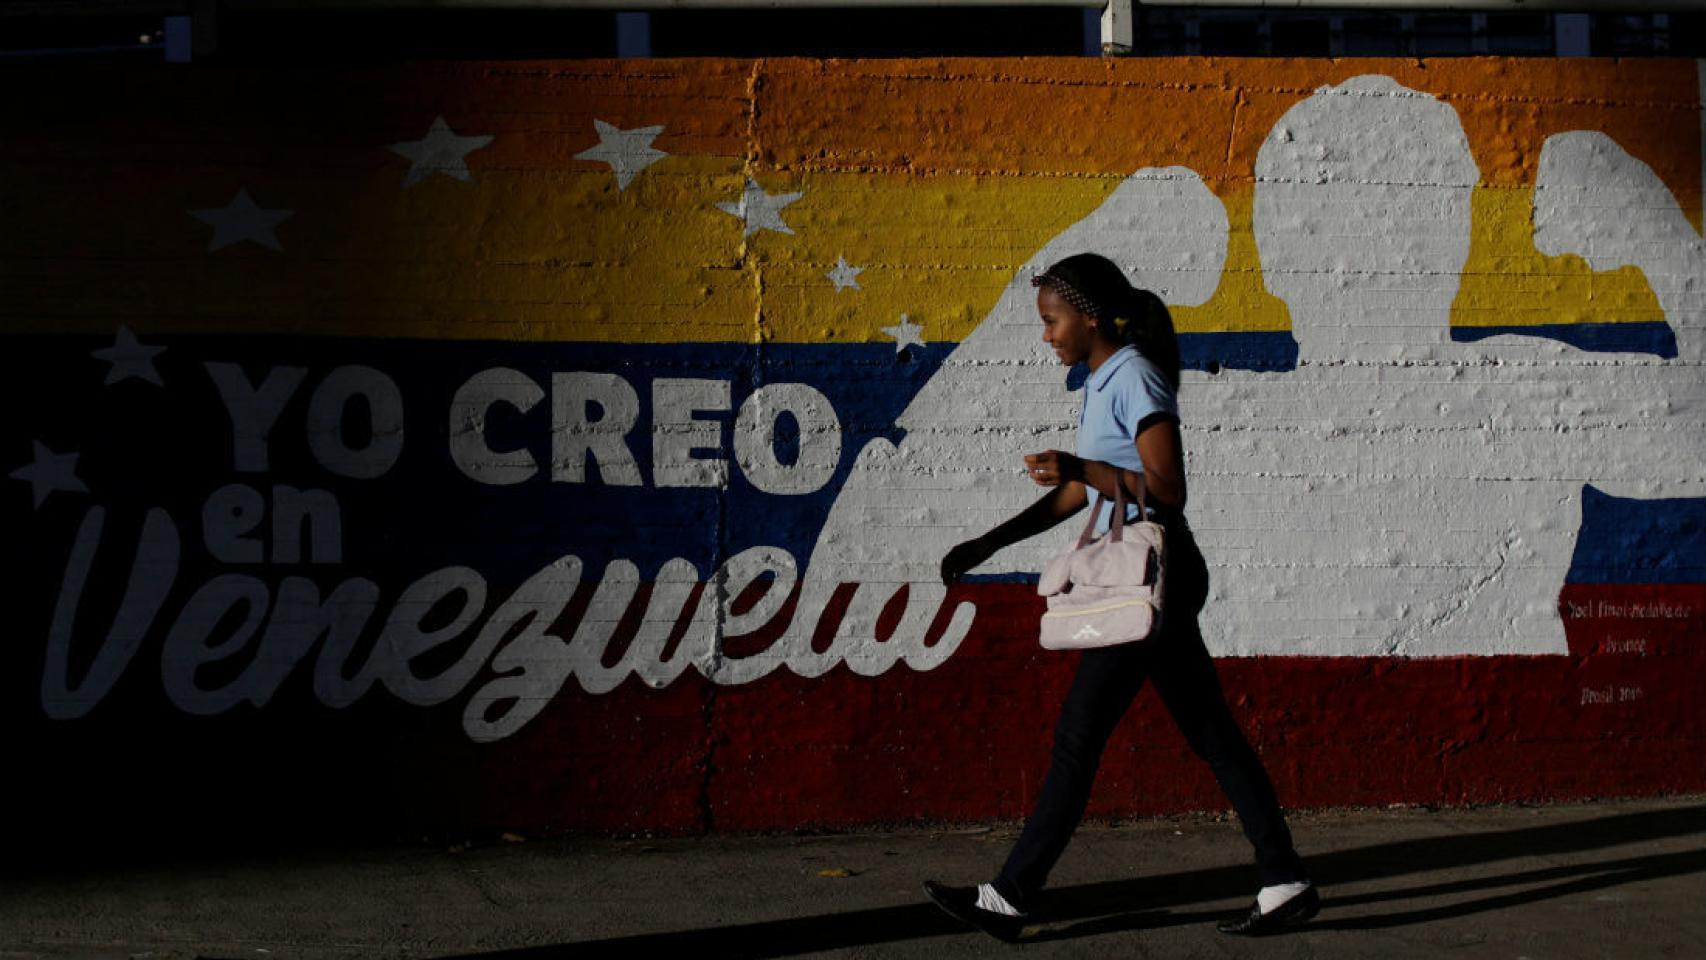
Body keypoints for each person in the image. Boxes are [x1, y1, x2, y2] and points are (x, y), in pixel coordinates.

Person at [922, 253, 1319, 940]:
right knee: (1212, 734)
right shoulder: (1103, 379)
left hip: (1151, 572)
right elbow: (1079, 493)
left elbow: (1167, 490)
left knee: (1079, 738)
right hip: (1142, 573)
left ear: (1089, 317)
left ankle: (1012, 896)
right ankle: (1284, 880)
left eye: (1051, 321)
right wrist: (987, 544)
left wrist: (1083, 467)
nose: (1045, 335)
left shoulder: (1133, 375)